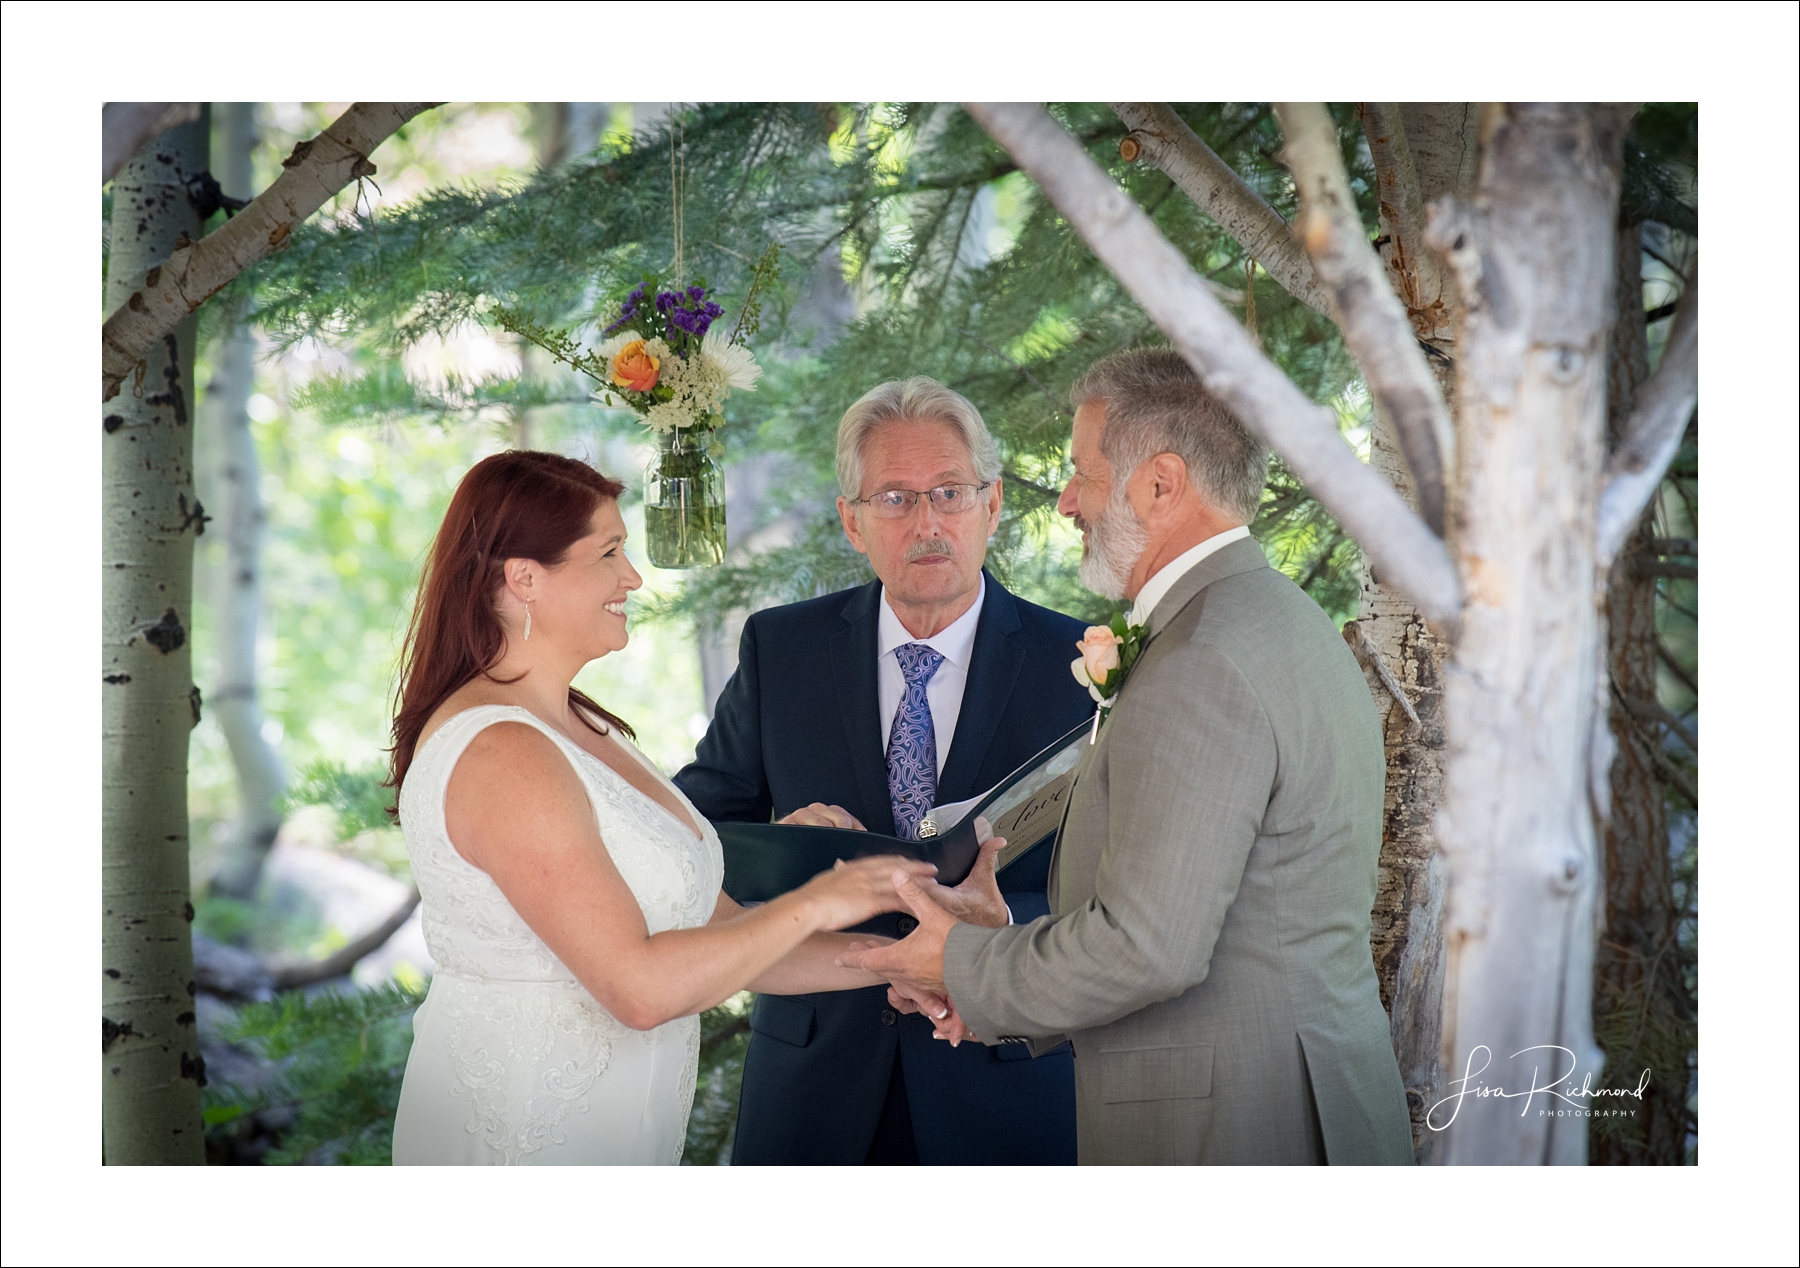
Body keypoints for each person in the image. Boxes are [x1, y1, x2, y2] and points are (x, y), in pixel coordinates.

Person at [843, 349, 1416, 1165]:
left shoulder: (1204, 659)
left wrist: (963, 963)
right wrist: (998, 948)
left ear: (1160, 483)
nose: (1068, 501)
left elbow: (1149, 948)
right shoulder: (1267, 615)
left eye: (1084, 474)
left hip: (1235, 1128)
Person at [388, 451, 942, 1165]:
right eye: (609, 552)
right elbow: (639, 989)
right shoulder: (503, 752)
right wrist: (822, 899)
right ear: (523, 577)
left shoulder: (591, 729)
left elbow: (728, 935)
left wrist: (905, 961)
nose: (632, 577)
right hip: (525, 1134)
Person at [675, 378, 1092, 1165]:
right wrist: (777, 847)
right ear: (851, 521)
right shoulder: (782, 651)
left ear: (993, 505)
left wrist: (993, 932)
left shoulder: (1076, 666)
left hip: (1002, 1074)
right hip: (813, 1087)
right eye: (895, 499)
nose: (928, 522)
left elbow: (1117, 882)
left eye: (949, 494)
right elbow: (686, 835)